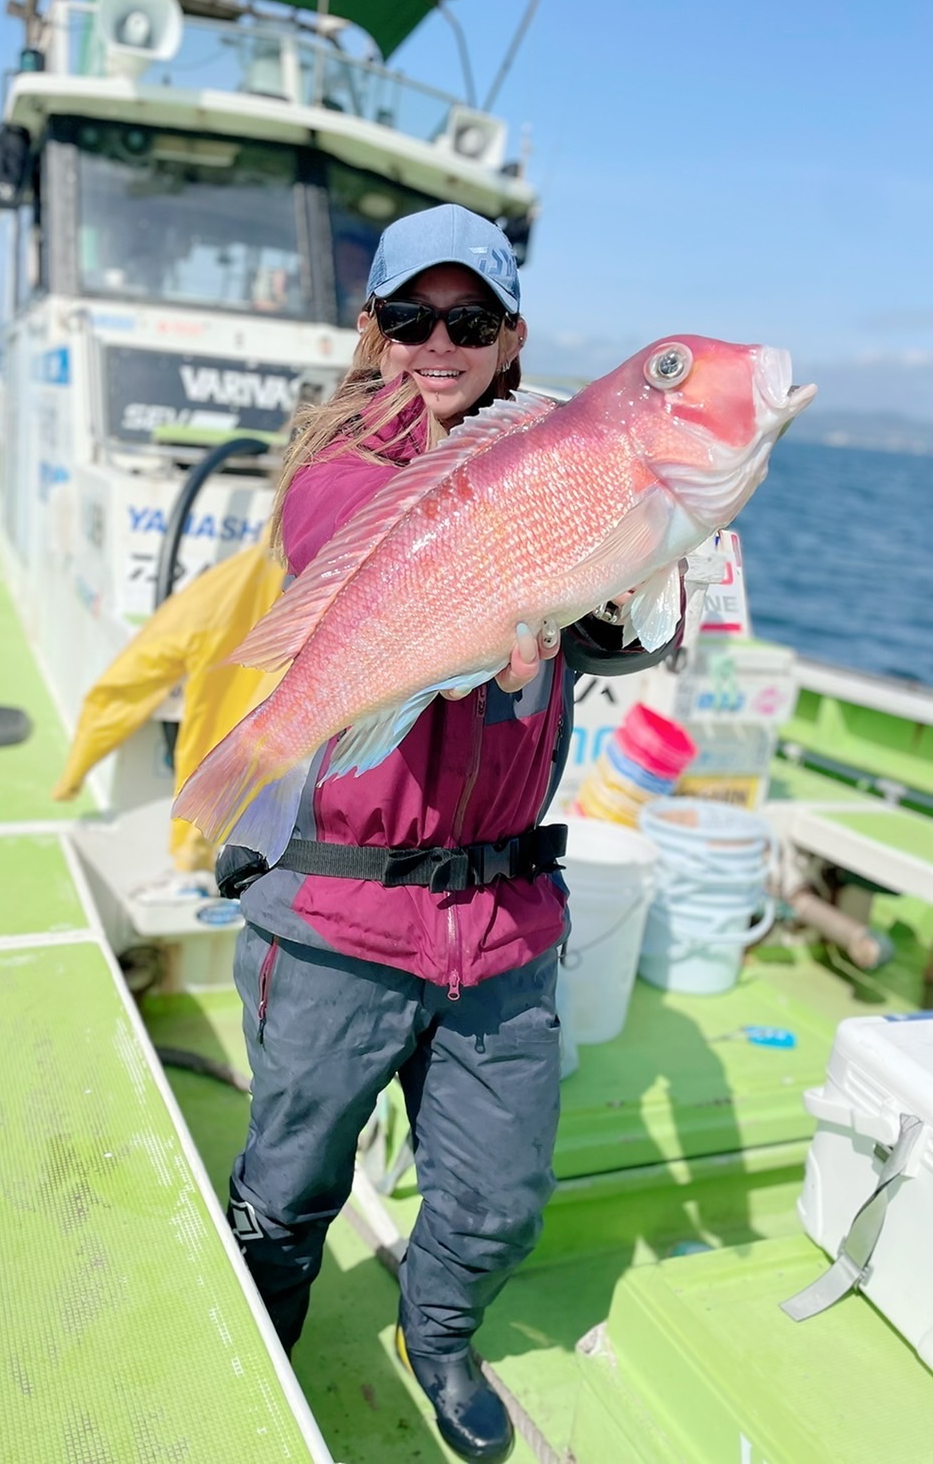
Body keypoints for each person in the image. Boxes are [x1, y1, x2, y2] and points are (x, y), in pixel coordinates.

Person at [217, 203, 682, 1463]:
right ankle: (265, 1328)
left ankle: (440, 1336)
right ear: (371, 331)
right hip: (341, 915)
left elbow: (621, 625)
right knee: (290, 1172)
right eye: (410, 317)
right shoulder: (333, 475)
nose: (438, 342)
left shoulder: (557, 463)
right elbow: (344, 554)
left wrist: (646, 566)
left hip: (506, 921)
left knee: (497, 1192)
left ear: (510, 336)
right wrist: (502, 595)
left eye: (466, 319)